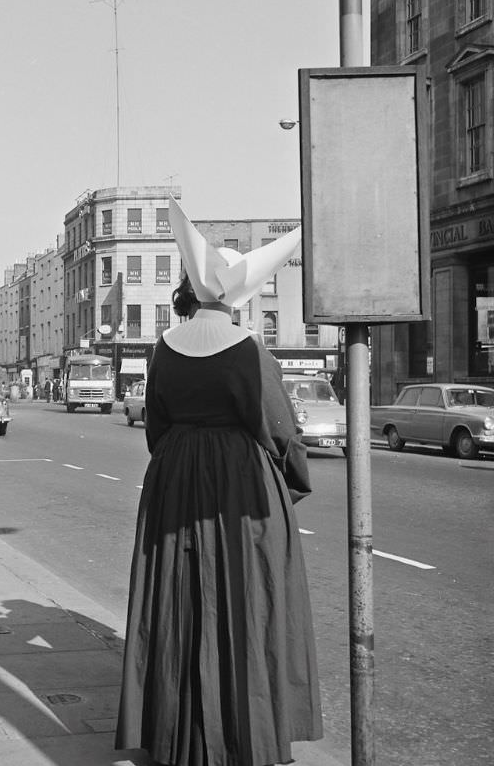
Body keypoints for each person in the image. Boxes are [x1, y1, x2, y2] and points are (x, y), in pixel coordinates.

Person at [115, 198, 322, 766]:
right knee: (248, 600)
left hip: (174, 477)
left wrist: (178, 466)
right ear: (241, 298)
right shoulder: (250, 351)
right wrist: (289, 488)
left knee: (178, 600)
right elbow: (280, 432)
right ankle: (243, 734)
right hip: (239, 483)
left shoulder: (164, 348)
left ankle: (179, 733)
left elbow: (156, 425)